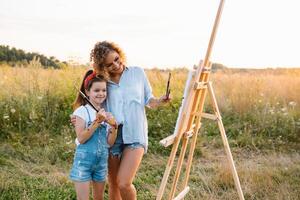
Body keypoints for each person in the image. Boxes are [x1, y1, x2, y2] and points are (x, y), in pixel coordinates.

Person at [89, 41, 171, 200]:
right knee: (113, 185)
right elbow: (95, 104)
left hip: (135, 134)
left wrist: (161, 100)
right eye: (110, 64)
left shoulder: (137, 73)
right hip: (113, 136)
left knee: (124, 183)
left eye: (117, 59)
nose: (116, 65)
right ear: (102, 67)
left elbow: (149, 100)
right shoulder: (102, 82)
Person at [69, 70, 118, 200]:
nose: (101, 93)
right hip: (83, 163)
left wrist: (114, 126)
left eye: (104, 90)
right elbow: (81, 138)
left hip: (101, 164)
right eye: (97, 90)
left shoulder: (107, 113)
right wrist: (97, 121)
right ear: (87, 92)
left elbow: (109, 143)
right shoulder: (81, 111)